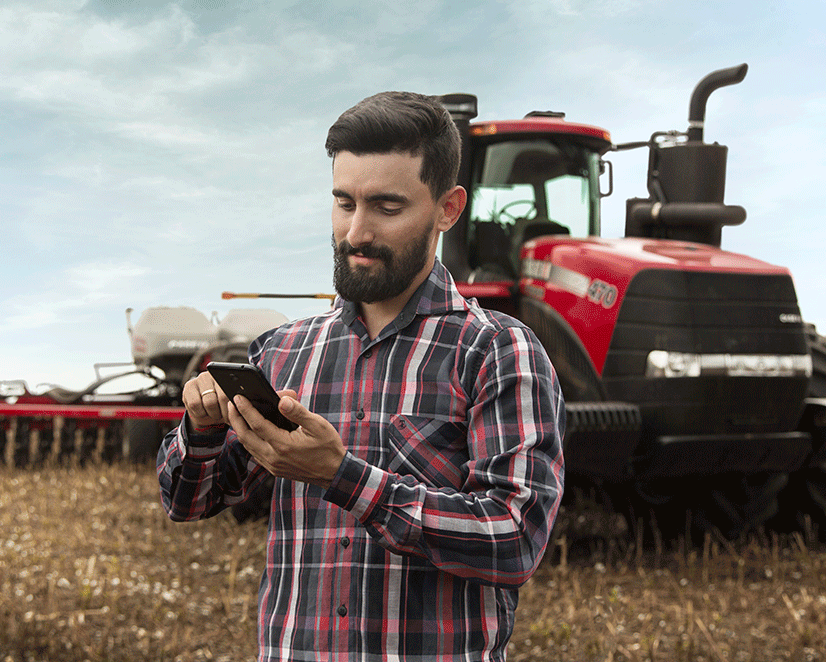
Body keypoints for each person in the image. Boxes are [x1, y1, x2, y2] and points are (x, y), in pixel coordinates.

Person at [158, 91, 565, 661]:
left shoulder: (498, 352)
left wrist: (344, 477)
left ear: (448, 209)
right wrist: (198, 432)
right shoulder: (281, 352)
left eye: (386, 207)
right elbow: (187, 502)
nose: (356, 232)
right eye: (344, 203)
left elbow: (515, 538)